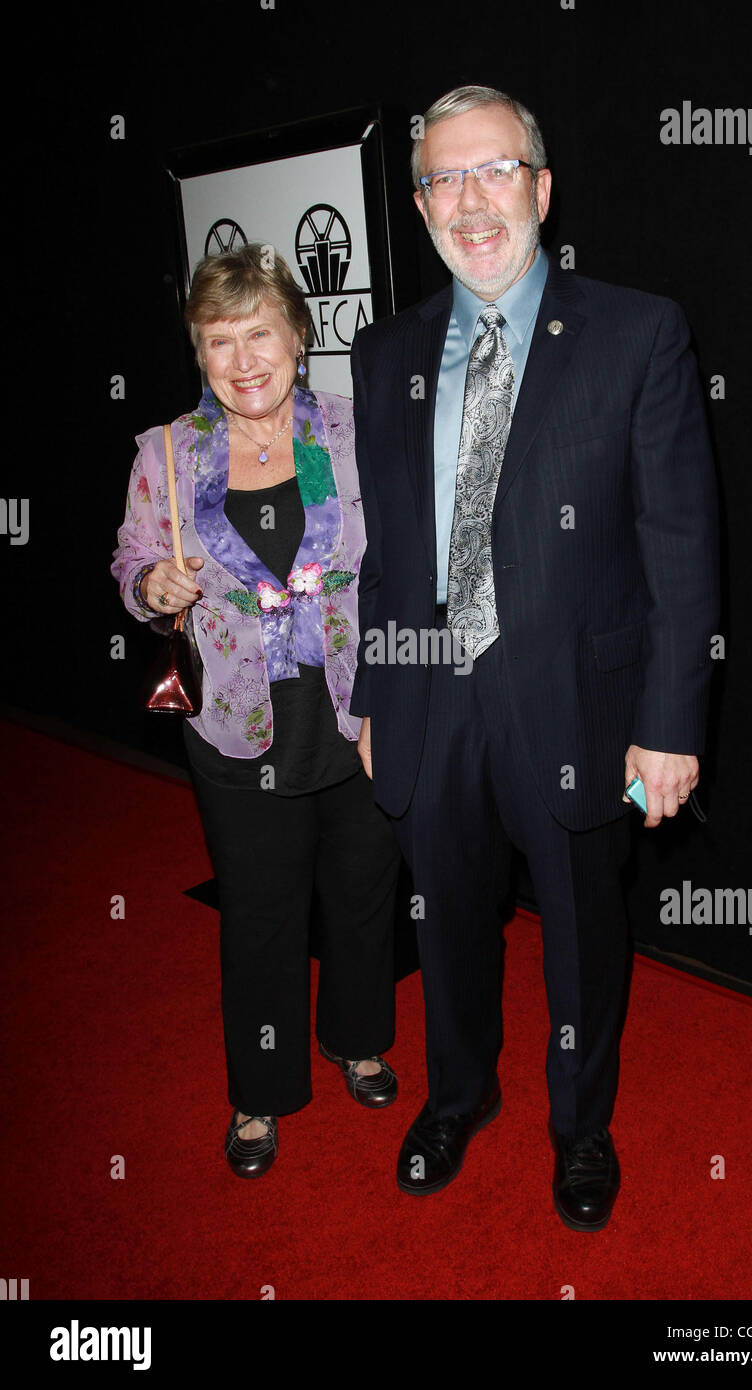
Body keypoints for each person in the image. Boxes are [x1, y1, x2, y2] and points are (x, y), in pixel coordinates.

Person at [350, 86, 719, 1229]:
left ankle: (580, 1125)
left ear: (541, 188)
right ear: (417, 206)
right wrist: (372, 693)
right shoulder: (382, 350)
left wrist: (668, 722)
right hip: (427, 693)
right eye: (442, 179)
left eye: (493, 170)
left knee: (579, 926)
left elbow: (680, 539)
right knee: (445, 918)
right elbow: (386, 543)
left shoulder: (638, 330)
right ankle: (457, 1095)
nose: (469, 200)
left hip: (578, 699)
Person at [112, 244, 402, 1179]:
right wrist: (151, 582)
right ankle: (260, 1092)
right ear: (198, 354)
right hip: (238, 722)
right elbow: (130, 559)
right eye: (218, 342)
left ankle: (359, 1040)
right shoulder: (168, 452)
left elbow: (403, 570)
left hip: (353, 708)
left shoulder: (358, 432)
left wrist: (397, 699)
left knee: (362, 893)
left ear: (300, 337)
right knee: (262, 912)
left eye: (259, 335)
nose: (242, 361)